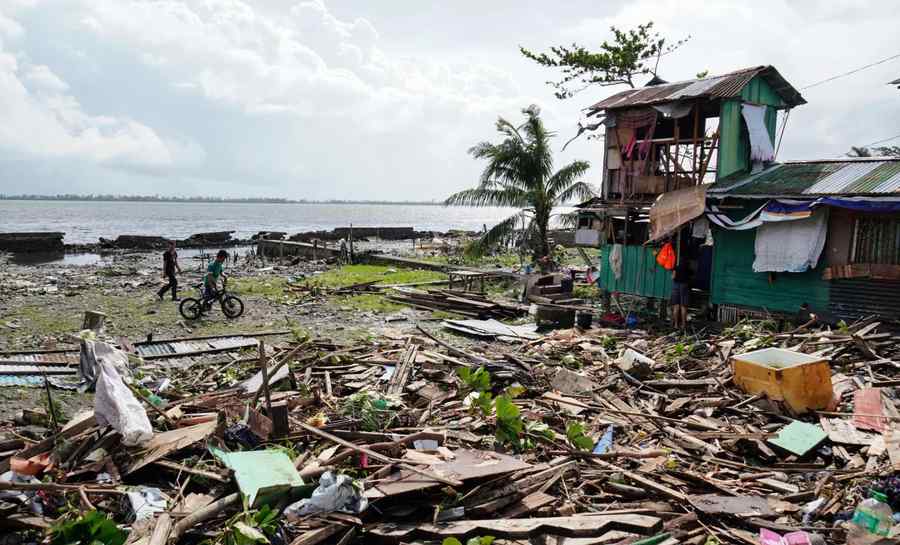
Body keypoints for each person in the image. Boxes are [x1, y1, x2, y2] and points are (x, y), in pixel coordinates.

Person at [670, 257, 692, 329]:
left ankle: (676, 324)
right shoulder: (688, 269)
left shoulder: (676, 268)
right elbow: (691, 278)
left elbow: (673, 277)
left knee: (676, 306)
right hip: (685, 286)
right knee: (683, 306)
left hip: (676, 286)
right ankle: (683, 325)